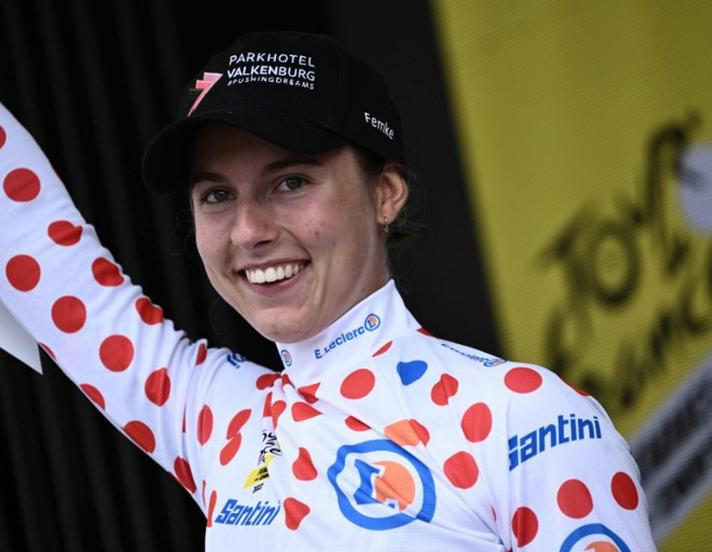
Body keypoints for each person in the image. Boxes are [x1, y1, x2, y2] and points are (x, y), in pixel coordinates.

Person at [0, 31, 656, 551]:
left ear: (385, 193)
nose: (250, 230)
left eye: (290, 182)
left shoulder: (531, 419)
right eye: (217, 196)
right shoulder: (217, 420)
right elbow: (34, 245)